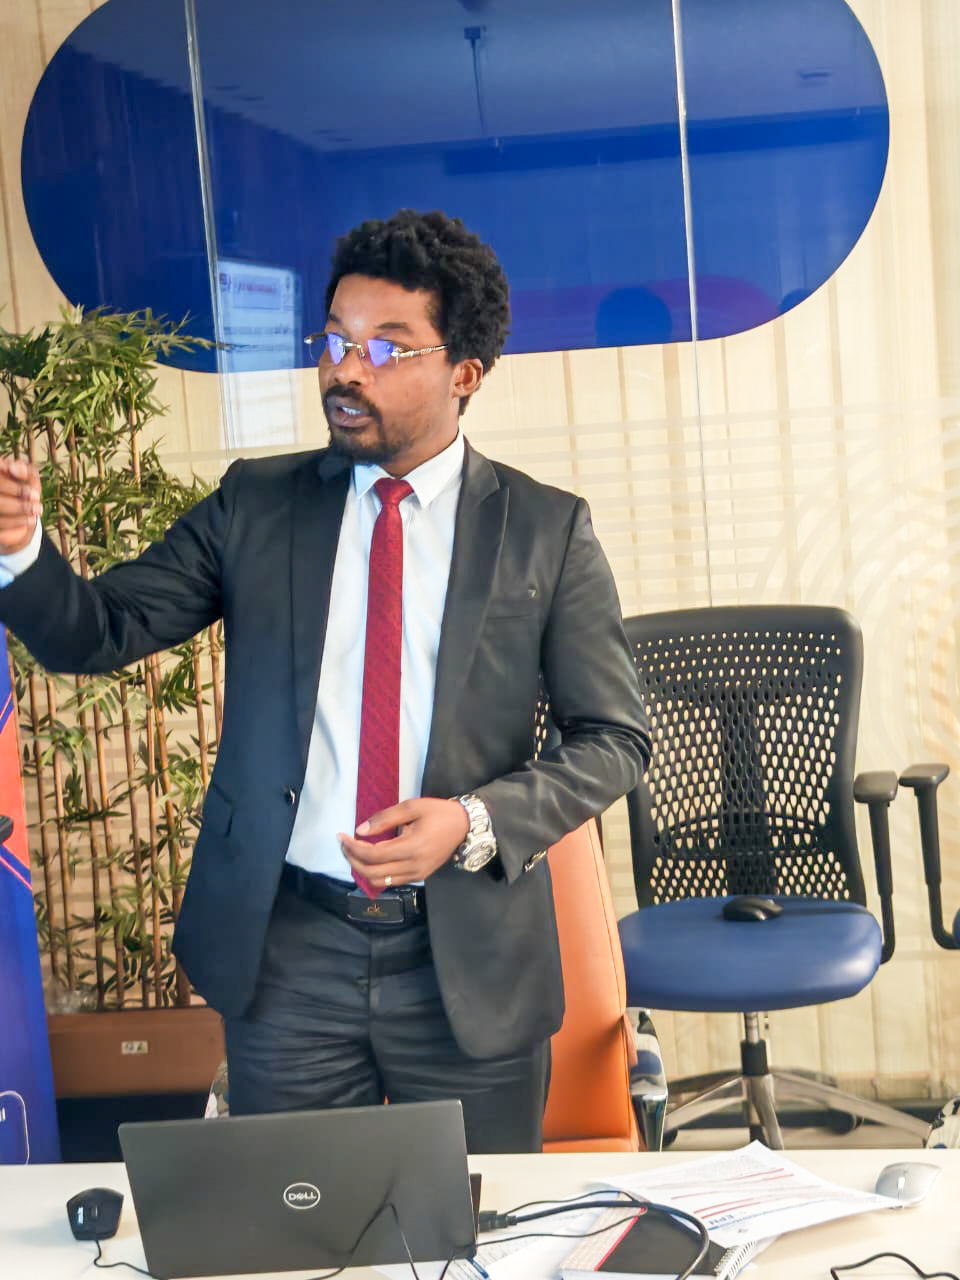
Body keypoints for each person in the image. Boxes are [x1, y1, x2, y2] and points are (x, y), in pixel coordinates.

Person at [0, 210, 650, 1152]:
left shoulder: (545, 531)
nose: (346, 370)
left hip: (467, 955)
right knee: (297, 1214)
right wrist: (21, 552)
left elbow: (614, 739)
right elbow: (97, 631)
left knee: (473, 1217)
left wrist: (471, 821)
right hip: (289, 951)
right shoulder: (256, 507)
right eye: (336, 339)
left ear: (464, 374)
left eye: (386, 348)